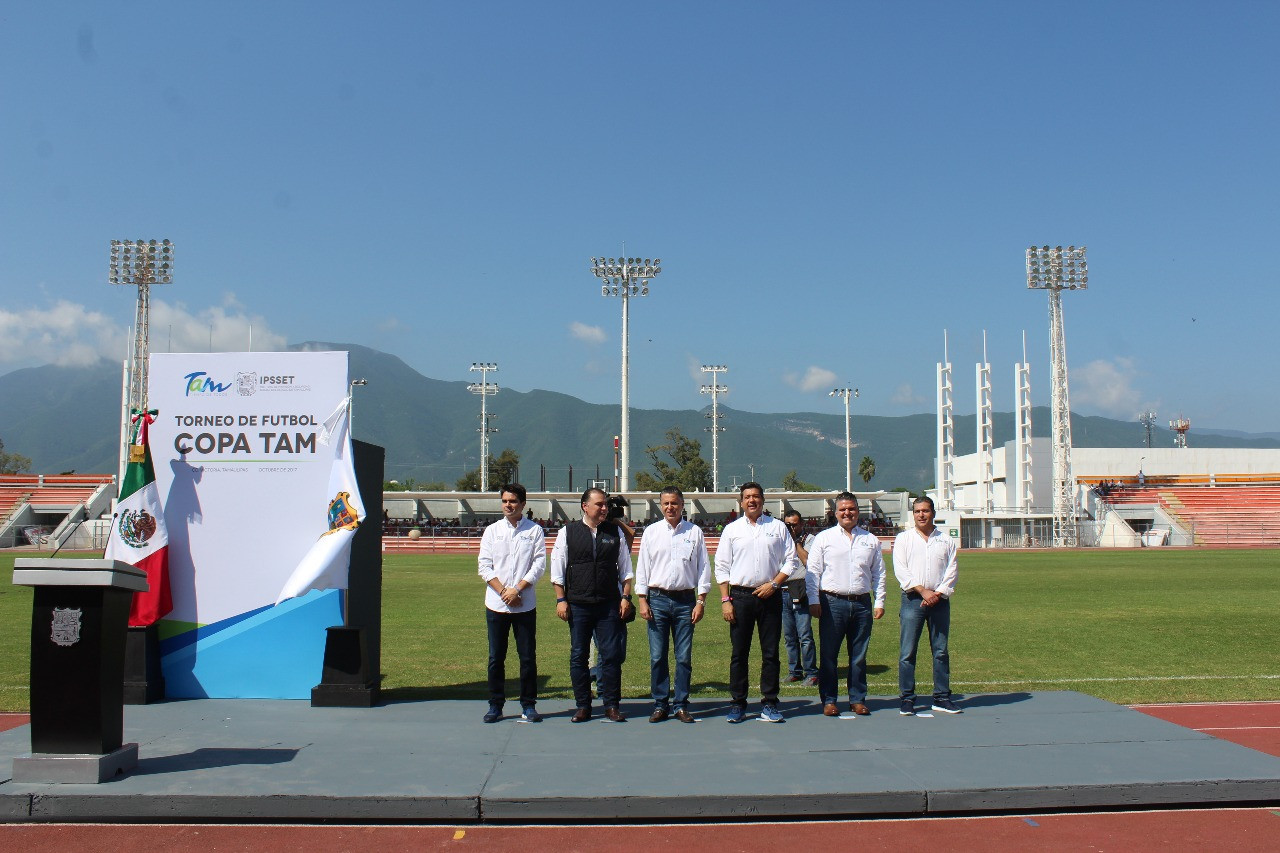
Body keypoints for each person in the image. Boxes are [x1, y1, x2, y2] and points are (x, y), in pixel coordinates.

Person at [714, 482, 800, 723]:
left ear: (763, 500)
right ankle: (737, 703)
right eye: (747, 497)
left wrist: (774, 584)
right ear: (741, 502)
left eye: (756, 497)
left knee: (770, 653)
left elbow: (790, 561)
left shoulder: (778, 528)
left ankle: (770, 703)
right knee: (739, 654)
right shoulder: (732, 530)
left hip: (770, 595)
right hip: (740, 597)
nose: (752, 501)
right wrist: (725, 600)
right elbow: (721, 566)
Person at [550, 487, 634, 722]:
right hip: (578, 604)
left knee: (611, 655)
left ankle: (611, 705)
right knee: (578, 655)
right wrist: (561, 599)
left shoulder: (614, 532)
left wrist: (626, 597)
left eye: (606, 504)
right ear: (585, 506)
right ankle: (583, 706)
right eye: (599, 504)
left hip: (608, 604)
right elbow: (557, 570)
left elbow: (626, 570)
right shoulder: (568, 532)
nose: (604, 508)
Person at [635, 487, 711, 723]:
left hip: (686, 601)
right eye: (666, 503)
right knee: (657, 656)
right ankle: (660, 704)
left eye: (675, 503)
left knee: (683, 657)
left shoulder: (694, 532)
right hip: (657, 600)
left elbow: (703, 569)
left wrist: (701, 601)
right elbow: (643, 567)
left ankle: (680, 704)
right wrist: (642, 599)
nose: (670, 507)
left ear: (682, 505)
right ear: (660, 505)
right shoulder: (651, 532)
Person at [806, 492, 886, 717]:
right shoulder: (824, 538)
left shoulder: (870, 540)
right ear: (835, 513)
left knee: (859, 655)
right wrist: (813, 600)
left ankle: (857, 699)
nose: (847, 513)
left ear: (857, 511)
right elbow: (813, 573)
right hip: (832, 603)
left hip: (862, 604)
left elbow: (879, 573)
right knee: (829, 656)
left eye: (851, 509)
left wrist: (879, 600)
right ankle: (829, 700)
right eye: (842, 509)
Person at [477, 484, 546, 723]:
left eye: (513, 501)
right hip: (496, 605)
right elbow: (484, 566)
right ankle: (495, 705)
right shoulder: (492, 531)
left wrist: (517, 590)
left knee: (527, 657)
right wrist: (504, 592)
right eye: (505, 501)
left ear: (523, 504)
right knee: (496, 657)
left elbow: (538, 566)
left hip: (525, 604)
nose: (508, 505)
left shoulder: (534, 531)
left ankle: (528, 705)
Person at [892, 495, 961, 716]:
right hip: (913, 599)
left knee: (940, 651)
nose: (922, 515)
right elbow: (901, 570)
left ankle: (941, 697)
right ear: (913, 514)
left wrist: (937, 593)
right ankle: (907, 699)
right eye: (917, 511)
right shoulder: (904, 539)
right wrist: (922, 591)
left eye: (926, 511)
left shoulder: (946, 541)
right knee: (907, 652)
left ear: (933, 513)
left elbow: (952, 571)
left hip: (940, 602)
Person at [781, 510, 818, 686]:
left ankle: (811, 672)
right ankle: (794, 670)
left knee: (804, 634)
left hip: (801, 590)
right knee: (789, 636)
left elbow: (809, 562)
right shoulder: (780, 539)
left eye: (794, 524)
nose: (791, 527)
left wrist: (796, 543)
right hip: (782, 590)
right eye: (787, 524)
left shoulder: (810, 539)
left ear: (801, 524)